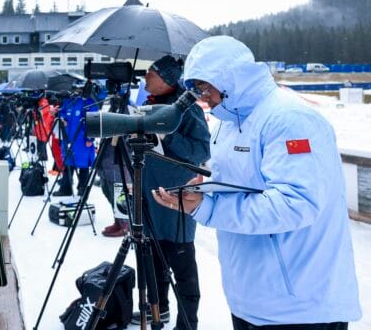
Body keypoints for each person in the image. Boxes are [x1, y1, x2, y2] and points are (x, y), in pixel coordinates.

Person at [153, 36, 361, 329]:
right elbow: (243, 185)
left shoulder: (289, 119)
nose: (202, 96)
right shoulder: (228, 121)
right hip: (252, 298)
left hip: (300, 307)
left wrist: (208, 209)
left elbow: (295, 204)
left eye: (203, 87)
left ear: (228, 77)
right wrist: (202, 193)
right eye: (196, 88)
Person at [133, 55, 210, 329]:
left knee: (183, 268)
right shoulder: (146, 106)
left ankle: (187, 323)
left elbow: (201, 151)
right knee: (152, 261)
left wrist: (167, 134)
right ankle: (159, 309)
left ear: (164, 78)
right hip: (148, 195)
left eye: (149, 74)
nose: (144, 79)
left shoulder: (187, 110)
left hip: (177, 201)